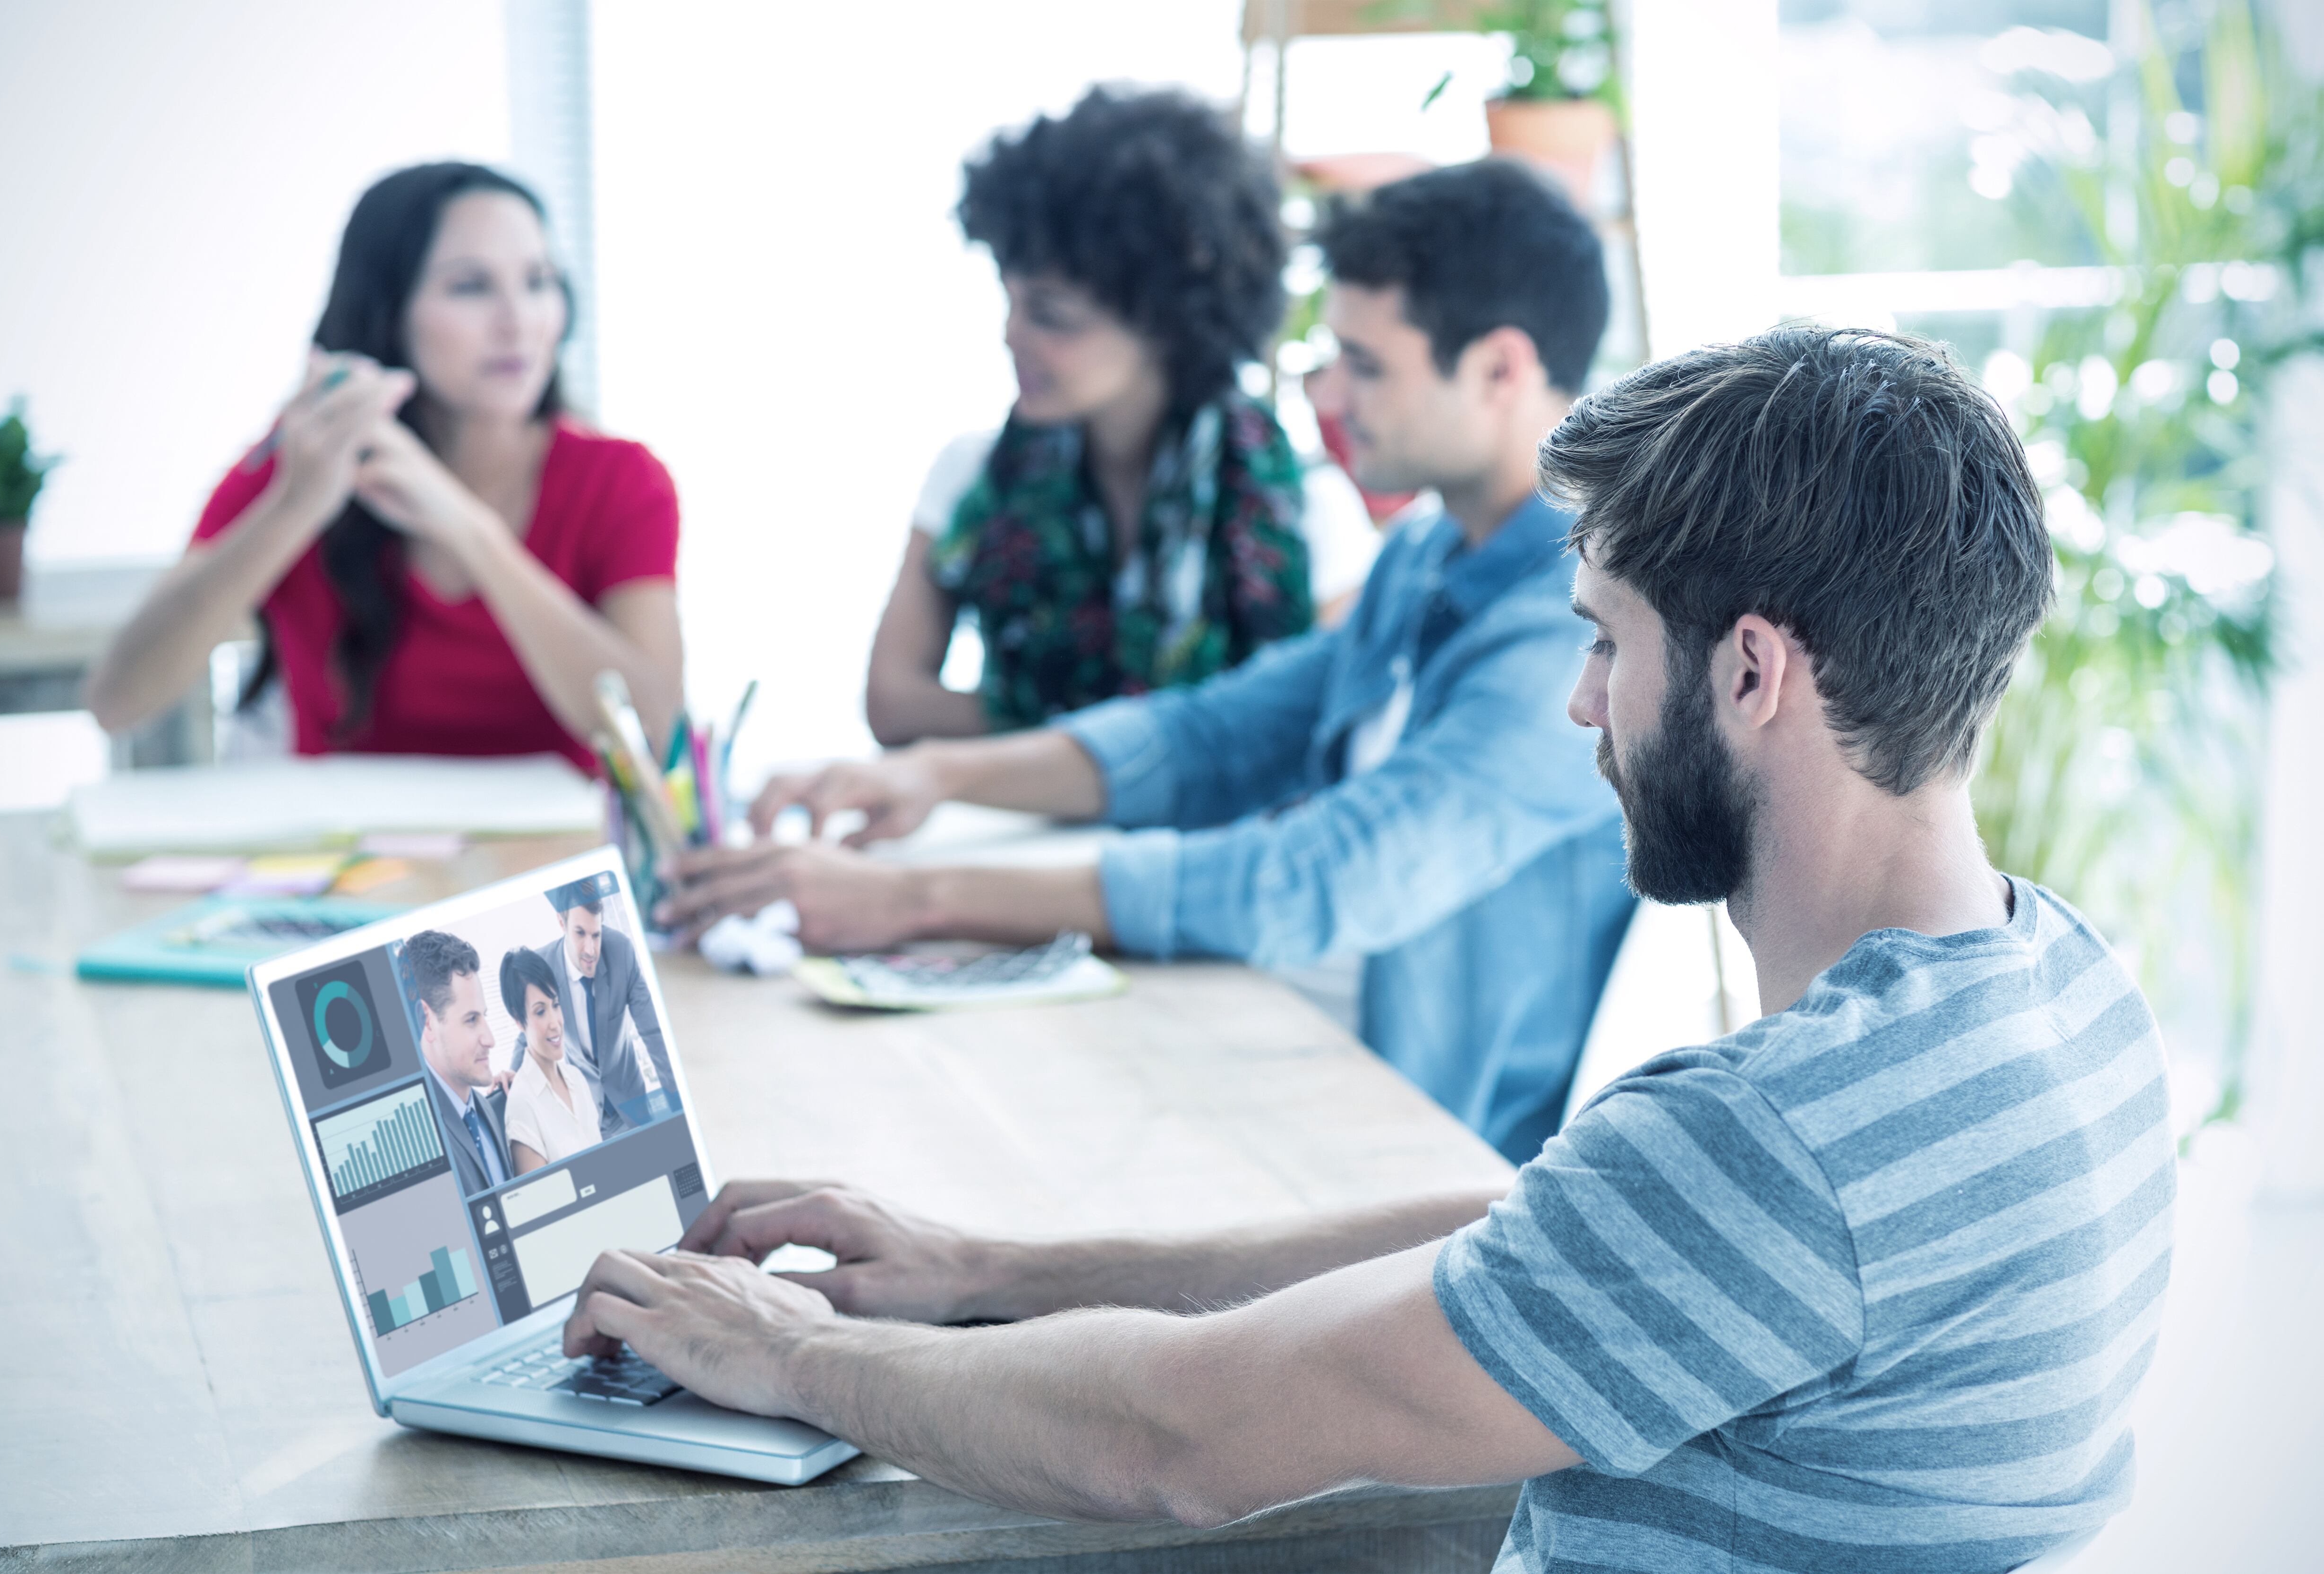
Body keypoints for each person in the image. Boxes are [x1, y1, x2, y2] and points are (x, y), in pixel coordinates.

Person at [571, 326, 2173, 1573]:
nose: (1578, 705)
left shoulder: (1785, 1143)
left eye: (1606, 642)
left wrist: (798, 1352)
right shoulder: (2061, 987)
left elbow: (1179, 1441)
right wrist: (994, 1273)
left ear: (1752, 672)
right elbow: (1562, 1234)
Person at [667, 161, 1633, 1162]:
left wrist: (913, 898)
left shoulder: (1577, 627)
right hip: (1288, 1033)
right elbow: (1213, 733)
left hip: (1406, 1136)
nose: (1330, 393)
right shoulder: (1432, 554)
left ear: (1501, 369)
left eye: (1365, 363)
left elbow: (1319, 878)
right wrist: (929, 775)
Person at [85, 162, 684, 770]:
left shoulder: (621, 481)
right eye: (471, 286)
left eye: (538, 282)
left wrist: (472, 533)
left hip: (563, 859)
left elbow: (661, 734)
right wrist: (294, 508)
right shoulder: (307, 458)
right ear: (387, 310)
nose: (518, 321)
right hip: (354, 858)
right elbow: (118, 701)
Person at [864, 86, 1379, 747]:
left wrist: (1058, 739)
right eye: (1011, 301)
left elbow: (1322, 727)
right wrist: (1151, 735)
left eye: (1052, 317)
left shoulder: (1308, 508)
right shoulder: (971, 473)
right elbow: (894, 703)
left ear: (1167, 324)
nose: (1011, 335)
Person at [502, 879, 677, 1137]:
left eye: (596, 934)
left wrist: (676, 1101)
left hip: (632, 1103)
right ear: (562, 924)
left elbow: (653, 1030)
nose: (590, 950)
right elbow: (527, 1030)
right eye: (580, 934)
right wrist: (514, 1074)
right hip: (584, 1111)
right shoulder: (543, 966)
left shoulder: (621, 951)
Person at [407, 928, 512, 1197]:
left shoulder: (485, 1112)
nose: (490, 1039)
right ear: (427, 1021)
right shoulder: (419, 1141)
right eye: (471, 1020)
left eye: (484, 1017)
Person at [498, 944, 599, 1173]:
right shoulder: (522, 1103)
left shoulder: (577, 1079)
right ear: (518, 1019)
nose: (556, 1023)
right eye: (541, 1012)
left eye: (555, 1005)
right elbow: (542, 1204)